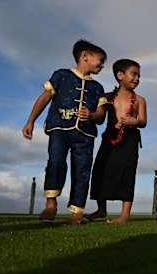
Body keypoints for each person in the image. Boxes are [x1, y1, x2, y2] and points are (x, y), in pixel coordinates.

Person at [22, 39, 107, 225]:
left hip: (85, 135)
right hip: (59, 128)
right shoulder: (61, 75)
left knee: (82, 171)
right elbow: (45, 97)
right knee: (56, 162)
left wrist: (91, 115)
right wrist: (30, 121)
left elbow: (101, 114)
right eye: (100, 60)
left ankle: (77, 212)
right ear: (85, 56)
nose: (102, 65)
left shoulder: (98, 88)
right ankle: (51, 204)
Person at [85, 59, 147, 224]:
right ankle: (101, 209)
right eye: (133, 74)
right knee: (100, 170)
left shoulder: (140, 100)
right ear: (120, 75)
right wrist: (90, 116)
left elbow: (143, 121)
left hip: (130, 139)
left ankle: (125, 214)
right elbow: (100, 117)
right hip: (109, 137)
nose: (137, 79)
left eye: (139, 76)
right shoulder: (106, 97)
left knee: (127, 173)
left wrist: (135, 122)